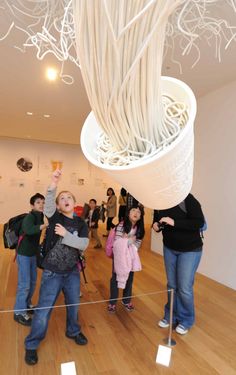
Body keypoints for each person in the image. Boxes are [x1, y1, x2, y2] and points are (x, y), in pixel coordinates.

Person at [24, 169, 89, 366]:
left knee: (73, 306)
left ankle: (73, 331)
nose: (65, 199)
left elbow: (84, 244)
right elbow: (50, 199)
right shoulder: (55, 218)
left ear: (74, 202)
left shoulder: (80, 222)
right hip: (52, 272)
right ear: (59, 206)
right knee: (44, 310)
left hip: (72, 272)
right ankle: (32, 344)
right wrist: (53, 183)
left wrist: (67, 236)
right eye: (62, 198)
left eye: (69, 197)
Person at [152, 193, 204, 335]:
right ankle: (171, 316)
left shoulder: (187, 199)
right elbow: (157, 221)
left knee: (184, 287)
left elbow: (199, 222)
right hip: (169, 247)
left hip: (190, 249)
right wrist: (156, 225)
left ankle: (186, 320)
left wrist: (174, 222)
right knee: (172, 285)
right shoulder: (159, 201)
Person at [14, 193, 47, 326]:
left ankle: (26, 304)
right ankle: (19, 312)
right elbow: (28, 229)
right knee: (24, 284)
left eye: (43, 202)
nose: (41, 204)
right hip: (23, 255)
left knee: (33, 282)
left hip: (32, 254)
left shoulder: (40, 216)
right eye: (38, 202)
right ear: (32, 205)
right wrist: (43, 226)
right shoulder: (30, 217)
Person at [107, 205, 145, 313]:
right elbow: (117, 243)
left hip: (131, 256)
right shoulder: (121, 225)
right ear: (128, 213)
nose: (136, 213)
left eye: (139, 212)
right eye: (133, 210)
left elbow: (137, 243)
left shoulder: (139, 229)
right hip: (119, 257)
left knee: (130, 278)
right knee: (115, 278)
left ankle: (126, 300)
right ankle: (112, 302)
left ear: (141, 216)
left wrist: (128, 243)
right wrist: (128, 242)